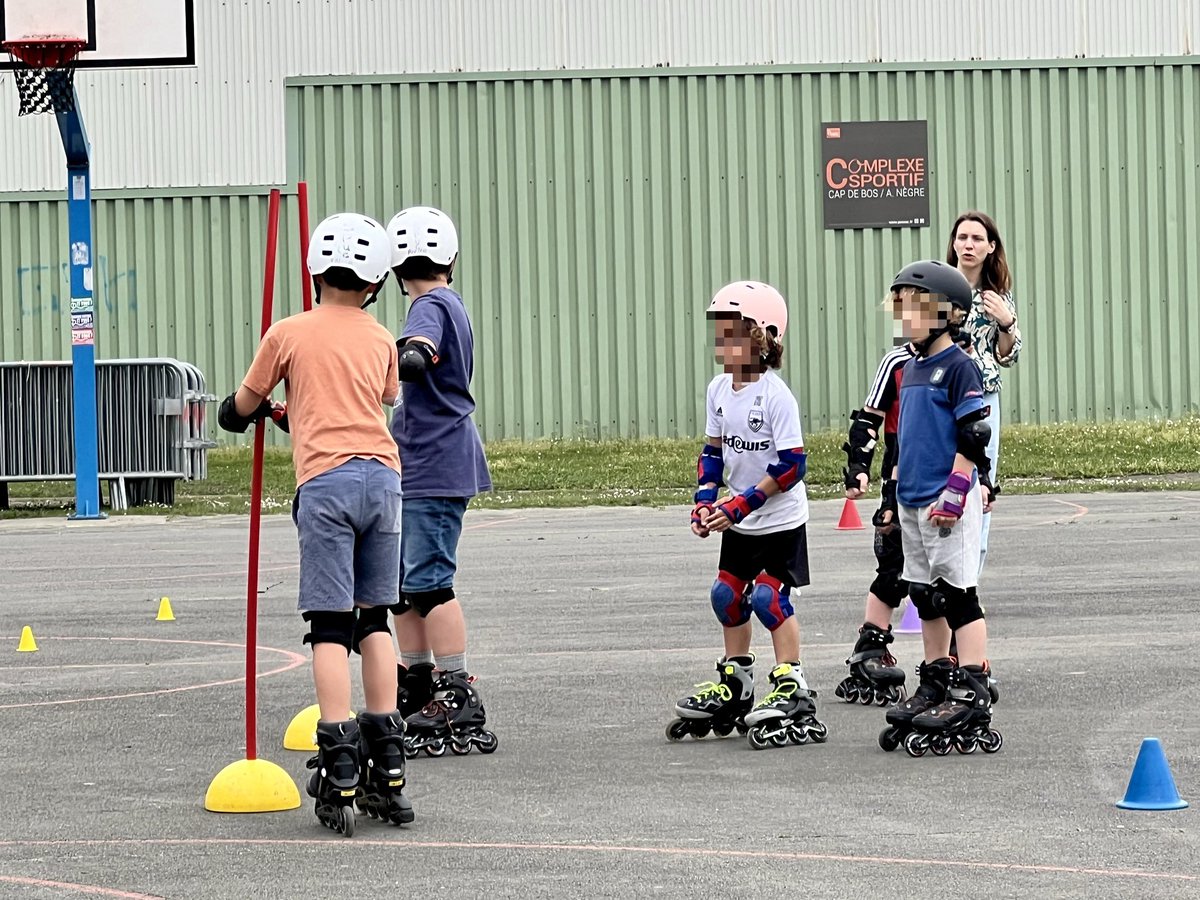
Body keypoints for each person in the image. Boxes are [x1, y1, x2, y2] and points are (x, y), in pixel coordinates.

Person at [217, 212, 413, 835]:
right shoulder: (382, 336)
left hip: (324, 485)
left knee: (329, 624)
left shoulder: (287, 332)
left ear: (313, 269)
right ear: (377, 279)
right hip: (382, 480)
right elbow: (377, 401)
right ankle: (388, 756)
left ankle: (340, 756)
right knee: (374, 617)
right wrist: (294, 415)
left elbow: (240, 407)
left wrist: (243, 411)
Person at [665, 281, 827, 751]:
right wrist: (703, 499)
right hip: (740, 522)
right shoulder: (719, 390)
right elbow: (712, 453)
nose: (721, 344)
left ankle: (792, 686)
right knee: (725, 597)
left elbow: (793, 465)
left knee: (769, 601)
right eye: (717, 334)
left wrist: (738, 504)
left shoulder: (777, 397)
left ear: (763, 337)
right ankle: (736, 681)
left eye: (730, 333)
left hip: (779, 523)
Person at [873, 260, 1003, 758]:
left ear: (947, 314)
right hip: (912, 497)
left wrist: (955, 490)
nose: (904, 316)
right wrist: (892, 495)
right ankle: (935, 679)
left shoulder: (959, 366)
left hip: (948, 500)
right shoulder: (909, 369)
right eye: (901, 307)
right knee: (924, 595)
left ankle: (970, 687)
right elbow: (902, 438)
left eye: (914, 307)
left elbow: (974, 434)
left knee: (958, 594)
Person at [384, 205, 497, 759]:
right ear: (451, 258)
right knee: (404, 585)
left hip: (434, 462)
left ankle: (456, 689)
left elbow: (419, 354)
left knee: (429, 582)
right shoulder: (448, 300)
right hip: (423, 461)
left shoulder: (429, 306)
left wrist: (396, 356)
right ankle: (419, 679)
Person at [834, 337, 918, 706]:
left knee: (946, 580)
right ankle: (870, 651)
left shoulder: (961, 360)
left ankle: (955, 657)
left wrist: (980, 480)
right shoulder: (897, 362)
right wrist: (858, 469)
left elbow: (974, 427)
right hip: (899, 483)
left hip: (947, 482)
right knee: (893, 570)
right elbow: (868, 422)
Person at [946, 211, 1023, 576]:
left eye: (977, 239)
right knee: (942, 473)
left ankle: (970, 578)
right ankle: (939, 572)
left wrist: (1006, 321)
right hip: (942, 397)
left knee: (980, 485)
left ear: (991, 247)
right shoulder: (938, 288)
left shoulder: (999, 297)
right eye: (962, 238)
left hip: (982, 398)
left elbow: (1010, 355)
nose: (969, 245)